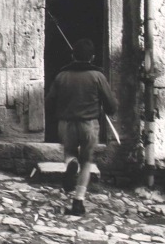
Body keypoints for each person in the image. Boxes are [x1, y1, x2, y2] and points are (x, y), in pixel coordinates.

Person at [45, 37, 117, 216]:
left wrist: (58, 113)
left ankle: (71, 162)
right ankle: (78, 201)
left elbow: (49, 102)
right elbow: (111, 105)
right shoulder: (98, 77)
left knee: (70, 152)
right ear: (92, 58)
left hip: (66, 123)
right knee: (86, 161)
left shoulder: (61, 76)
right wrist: (106, 108)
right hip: (89, 124)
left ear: (72, 55)